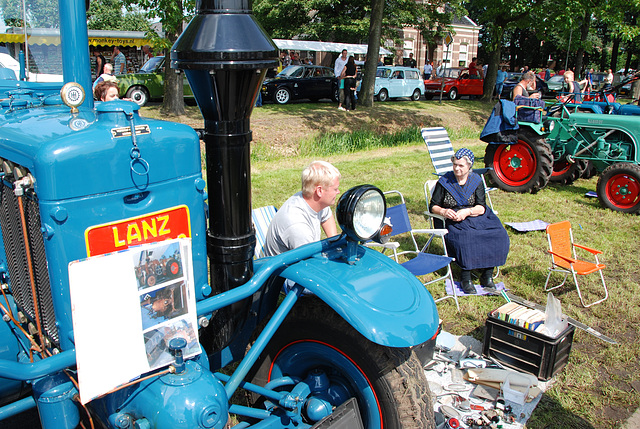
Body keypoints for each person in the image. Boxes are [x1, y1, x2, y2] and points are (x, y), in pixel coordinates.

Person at [429, 149, 510, 294]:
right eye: (455, 165)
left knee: (498, 234)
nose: (456, 168)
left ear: (469, 167)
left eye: (461, 166)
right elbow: (433, 206)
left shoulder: (476, 181)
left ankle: (487, 275)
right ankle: (465, 277)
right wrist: (443, 211)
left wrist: (468, 211)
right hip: (454, 217)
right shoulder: (445, 182)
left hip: (475, 215)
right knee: (466, 237)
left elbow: (481, 206)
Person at [264, 161, 340, 258]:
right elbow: (311, 264)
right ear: (319, 191)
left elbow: (327, 216)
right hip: (284, 270)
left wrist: (335, 245)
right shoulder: (297, 226)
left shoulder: (313, 201)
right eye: (335, 189)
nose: (338, 192)